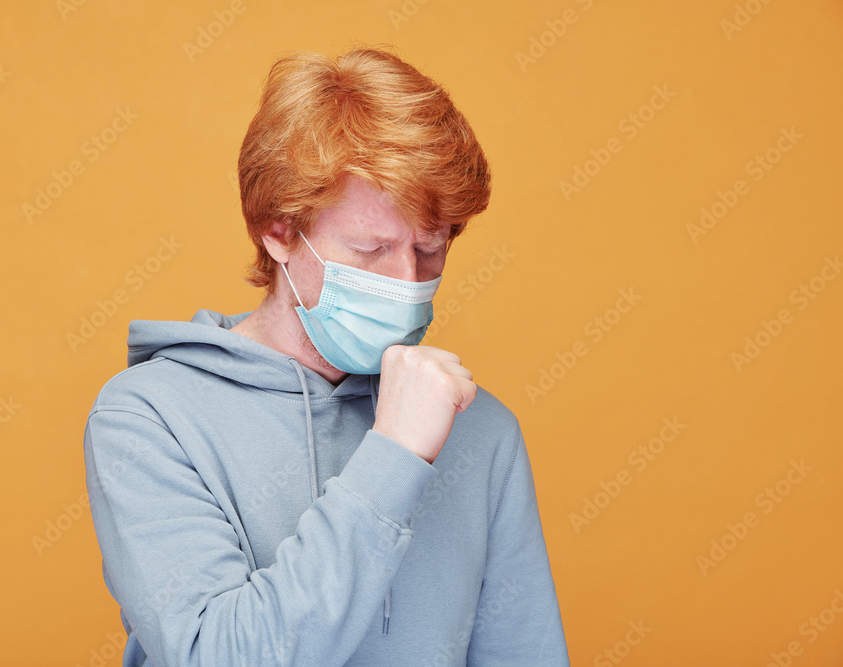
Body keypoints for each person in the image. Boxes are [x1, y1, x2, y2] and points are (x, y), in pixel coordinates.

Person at [84, 45, 569, 666]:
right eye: (371, 250)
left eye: (430, 250)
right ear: (279, 232)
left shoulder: (482, 429)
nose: (407, 281)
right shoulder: (148, 417)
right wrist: (394, 456)